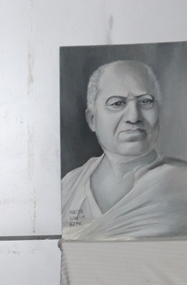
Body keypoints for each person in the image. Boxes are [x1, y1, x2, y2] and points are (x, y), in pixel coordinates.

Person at [61, 60, 187, 239]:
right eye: (117, 103)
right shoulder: (69, 186)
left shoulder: (181, 183)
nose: (134, 117)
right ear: (92, 119)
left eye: (145, 101)